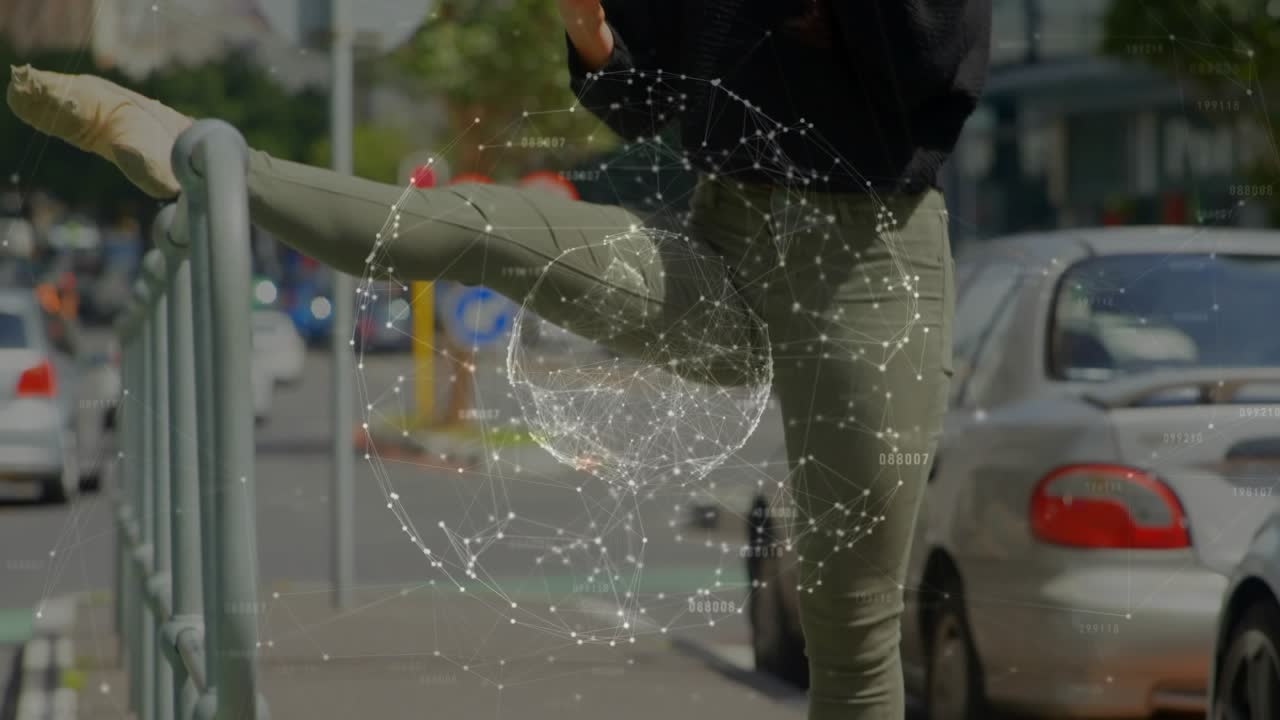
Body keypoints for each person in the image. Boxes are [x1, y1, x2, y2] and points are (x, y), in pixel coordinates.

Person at [8, 1, 989, 717]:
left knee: (851, 631)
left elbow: (931, 65)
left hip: (868, 266)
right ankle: (201, 157)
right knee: (477, 224)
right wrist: (591, 32)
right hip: (718, 244)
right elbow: (644, 98)